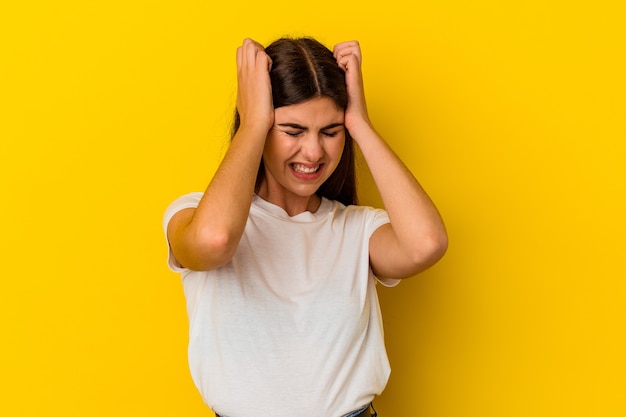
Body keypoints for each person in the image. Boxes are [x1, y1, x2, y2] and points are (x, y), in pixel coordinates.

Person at [163, 37, 448, 417]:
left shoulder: (357, 229)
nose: (314, 152)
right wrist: (253, 122)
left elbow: (426, 243)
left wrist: (360, 124)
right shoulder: (196, 213)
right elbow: (213, 242)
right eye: (293, 131)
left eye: (330, 132)